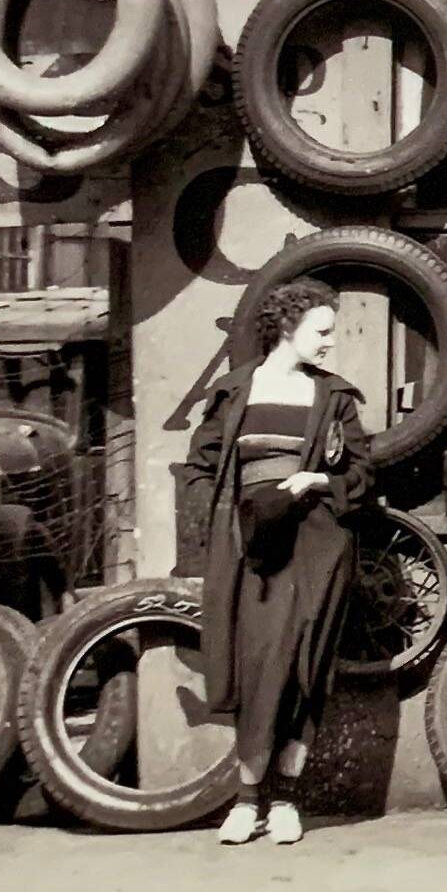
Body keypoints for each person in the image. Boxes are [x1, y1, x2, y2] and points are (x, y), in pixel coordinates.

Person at [177, 277, 374, 846]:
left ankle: (286, 800)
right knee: (258, 665)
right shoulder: (234, 391)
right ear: (288, 327)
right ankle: (247, 801)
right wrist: (226, 523)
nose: (330, 343)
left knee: (303, 667)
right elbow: (200, 467)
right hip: (254, 549)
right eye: (322, 331)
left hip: (317, 546)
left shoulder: (333, 397)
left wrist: (318, 481)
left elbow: (362, 472)